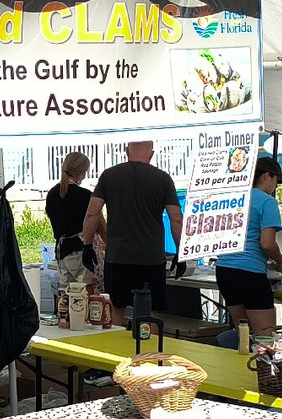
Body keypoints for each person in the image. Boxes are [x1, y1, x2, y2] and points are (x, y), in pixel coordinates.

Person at [82, 140, 183, 326]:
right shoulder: (163, 178)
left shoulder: (109, 176)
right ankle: (151, 354)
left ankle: (117, 354)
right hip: (151, 258)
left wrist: (87, 245)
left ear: (126, 151)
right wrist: (181, 252)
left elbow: (92, 213)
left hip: (118, 257)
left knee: (116, 309)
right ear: (151, 154)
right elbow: (176, 219)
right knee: (151, 312)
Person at [215, 156, 282, 334]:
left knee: (244, 334)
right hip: (249, 271)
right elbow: (267, 244)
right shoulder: (267, 202)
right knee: (265, 338)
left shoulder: (234, 198)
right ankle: (262, 363)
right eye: (276, 181)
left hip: (224, 269)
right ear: (266, 176)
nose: (275, 188)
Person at [45, 152, 106, 288]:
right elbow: (102, 228)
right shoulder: (86, 196)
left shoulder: (52, 194)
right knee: (86, 296)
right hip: (82, 252)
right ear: (83, 172)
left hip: (62, 252)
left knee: (66, 297)